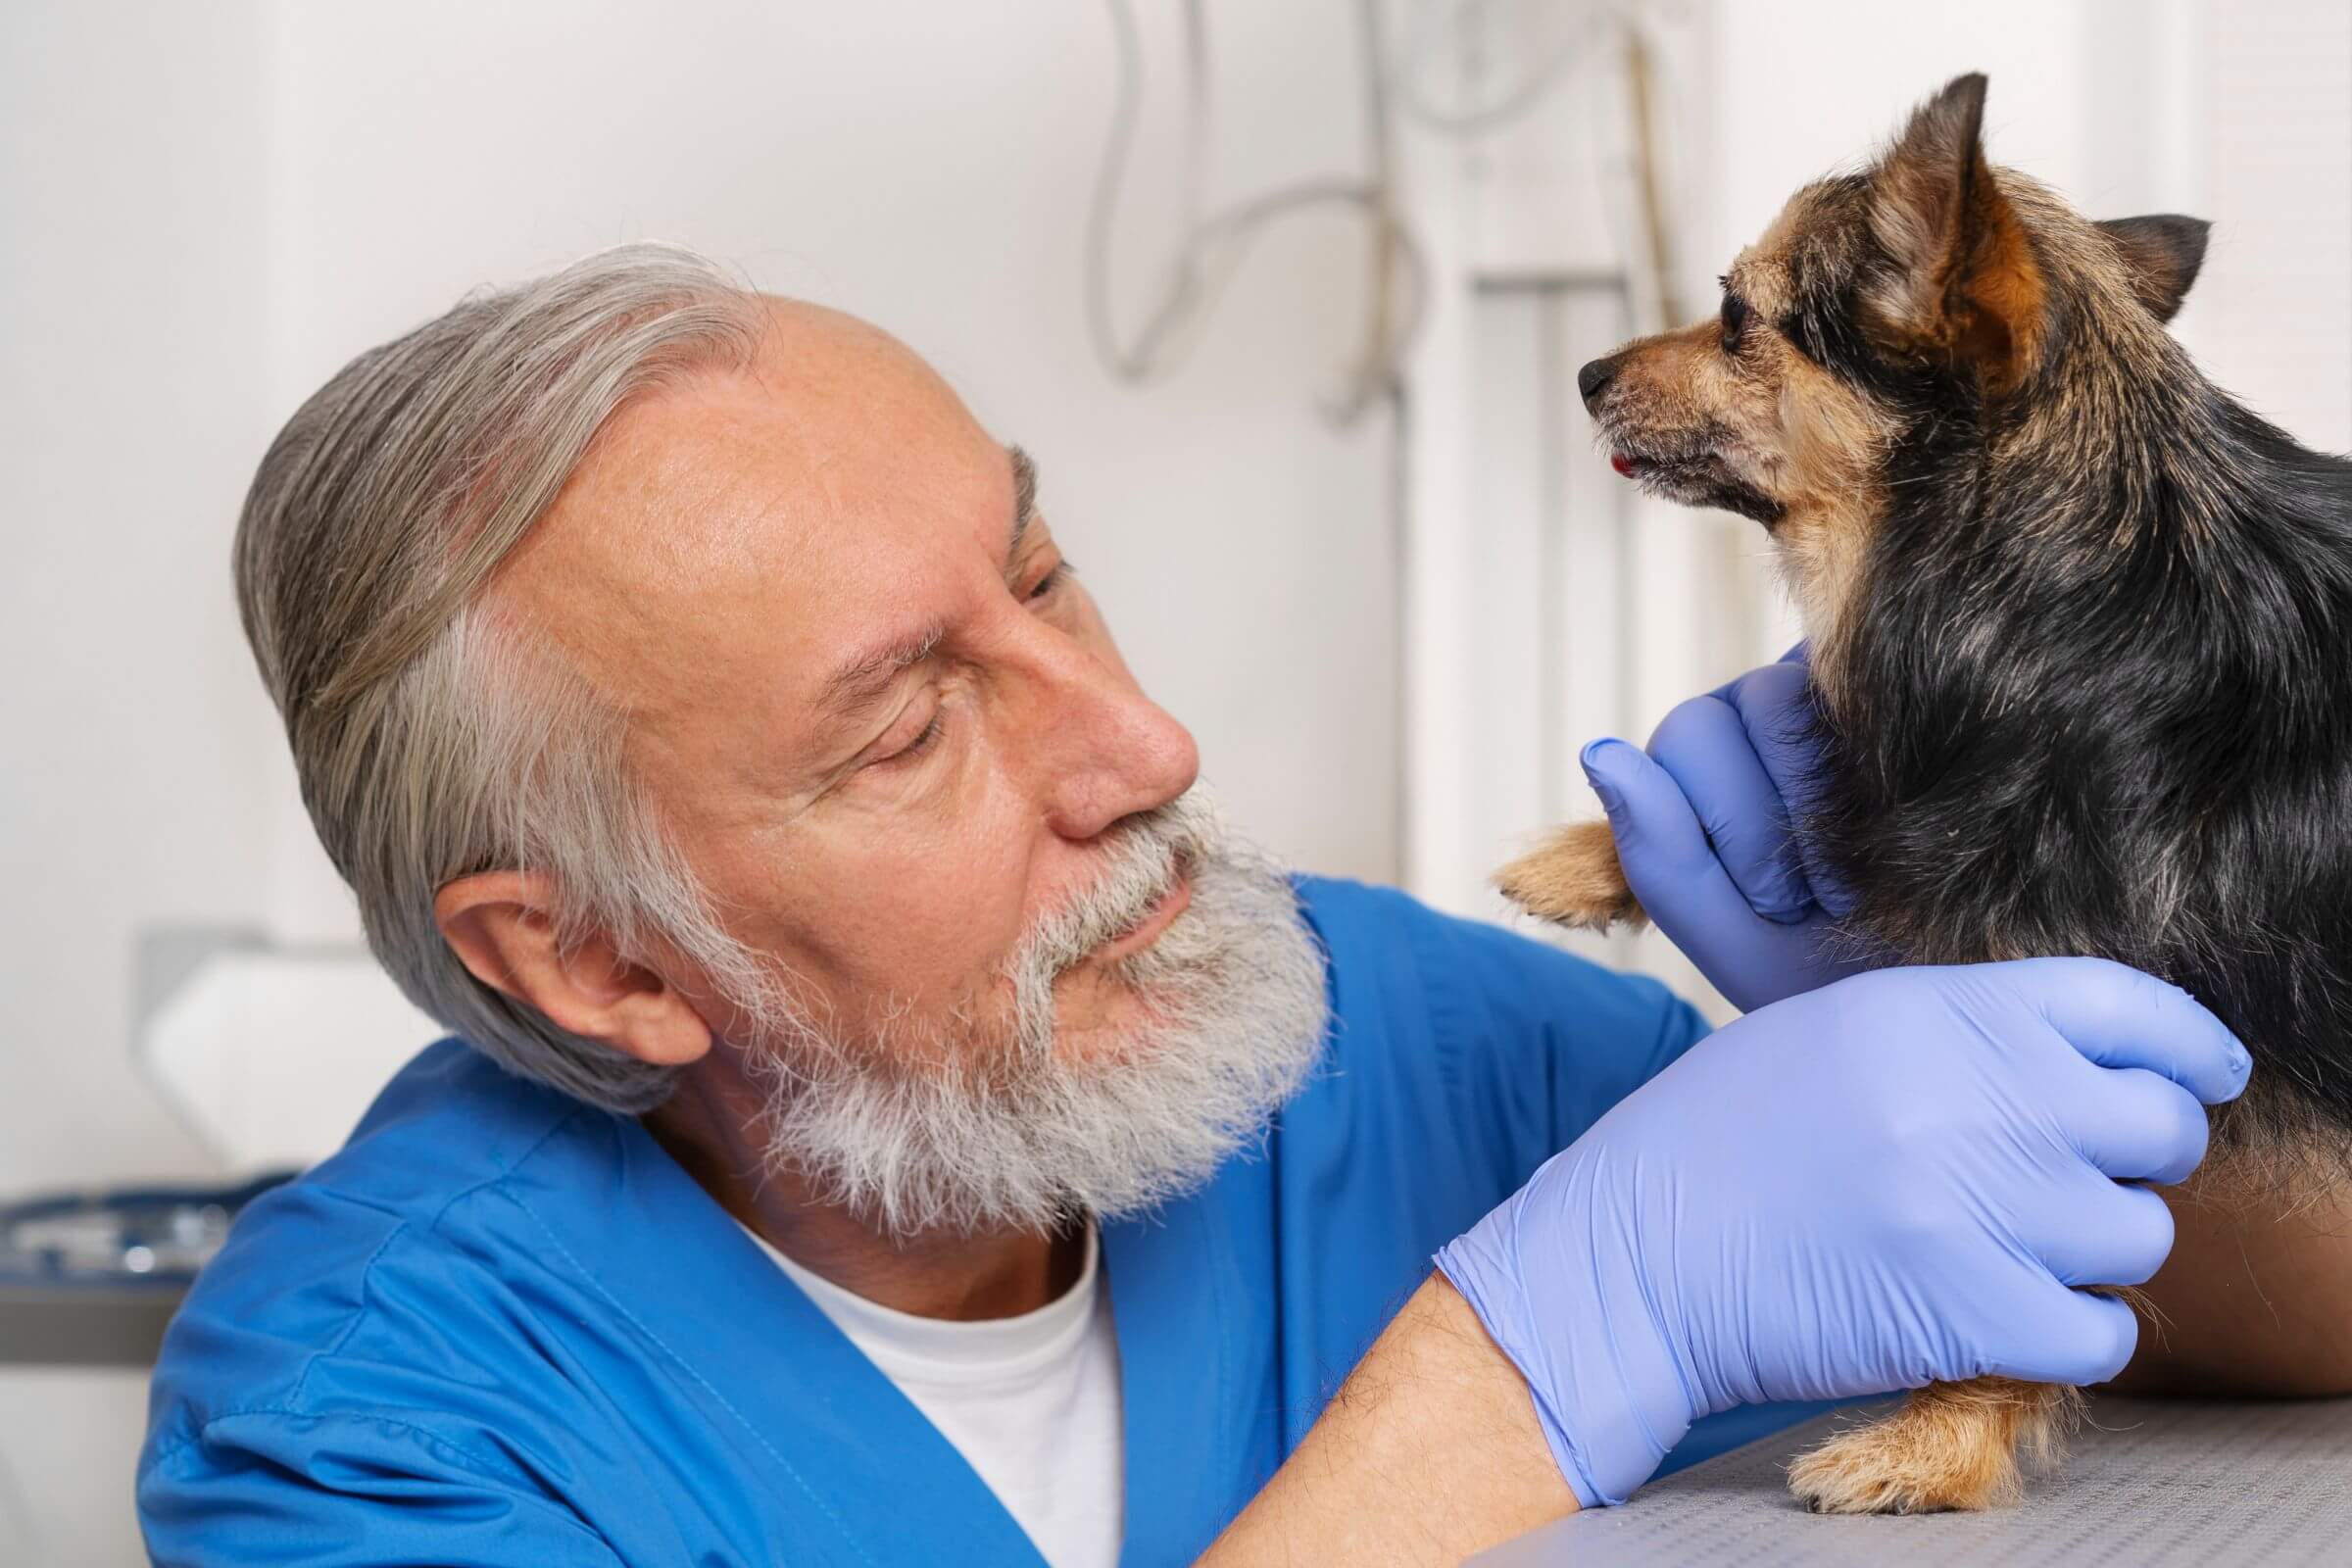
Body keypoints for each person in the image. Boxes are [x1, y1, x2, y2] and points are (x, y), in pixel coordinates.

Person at [138, 245, 2346, 1567]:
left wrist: (2015, 1040)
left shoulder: (1385, 1034)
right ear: (598, 959)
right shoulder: (371, 1428)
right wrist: (1519, 1369)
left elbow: (2232, 1328)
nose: (1141, 742)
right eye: (905, 729)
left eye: (1042, 580)